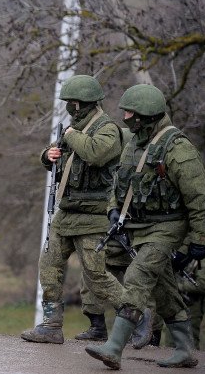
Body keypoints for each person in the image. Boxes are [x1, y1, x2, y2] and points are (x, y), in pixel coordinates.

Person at [85, 84, 205, 369]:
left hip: (168, 227)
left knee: (138, 277)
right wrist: (114, 209)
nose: (125, 117)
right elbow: (119, 183)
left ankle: (114, 348)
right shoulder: (136, 143)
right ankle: (184, 350)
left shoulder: (178, 148)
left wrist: (200, 239)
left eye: (130, 112)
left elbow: (199, 198)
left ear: (145, 115)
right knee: (165, 292)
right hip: (139, 227)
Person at [21, 75, 126, 344]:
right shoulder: (74, 128)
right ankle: (51, 324)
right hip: (67, 210)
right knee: (49, 266)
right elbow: (59, 154)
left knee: (96, 274)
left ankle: (137, 312)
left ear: (82, 103)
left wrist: (70, 134)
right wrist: (48, 155)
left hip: (93, 214)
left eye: (72, 102)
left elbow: (95, 153)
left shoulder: (107, 129)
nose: (69, 107)